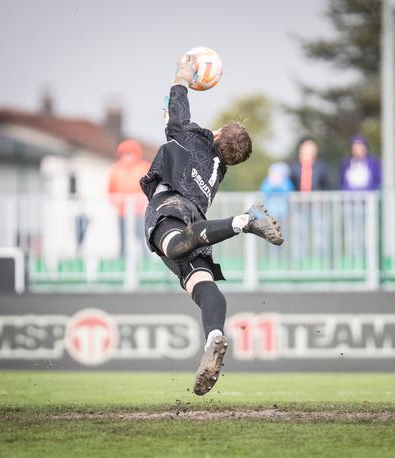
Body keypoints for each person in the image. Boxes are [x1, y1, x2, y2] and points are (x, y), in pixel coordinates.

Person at [140, 54, 283, 396]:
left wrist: (183, 76)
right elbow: (197, 134)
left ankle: (245, 220)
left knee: (173, 245)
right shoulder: (219, 168)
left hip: (170, 205)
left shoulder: (191, 137)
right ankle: (215, 337)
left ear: (217, 133)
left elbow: (177, 108)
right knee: (203, 287)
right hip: (196, 221)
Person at [108, 139, 151, 257]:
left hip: (138, 211)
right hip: (122, 211)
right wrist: (114, 202)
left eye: (130, 153)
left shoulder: (143, 167)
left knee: (141, 235)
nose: (127, 157)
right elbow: (111, 188)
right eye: (125, 153)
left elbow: (149, 186)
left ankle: (146, 258)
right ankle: (122, 259)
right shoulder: (116, 169)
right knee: (123, 237)